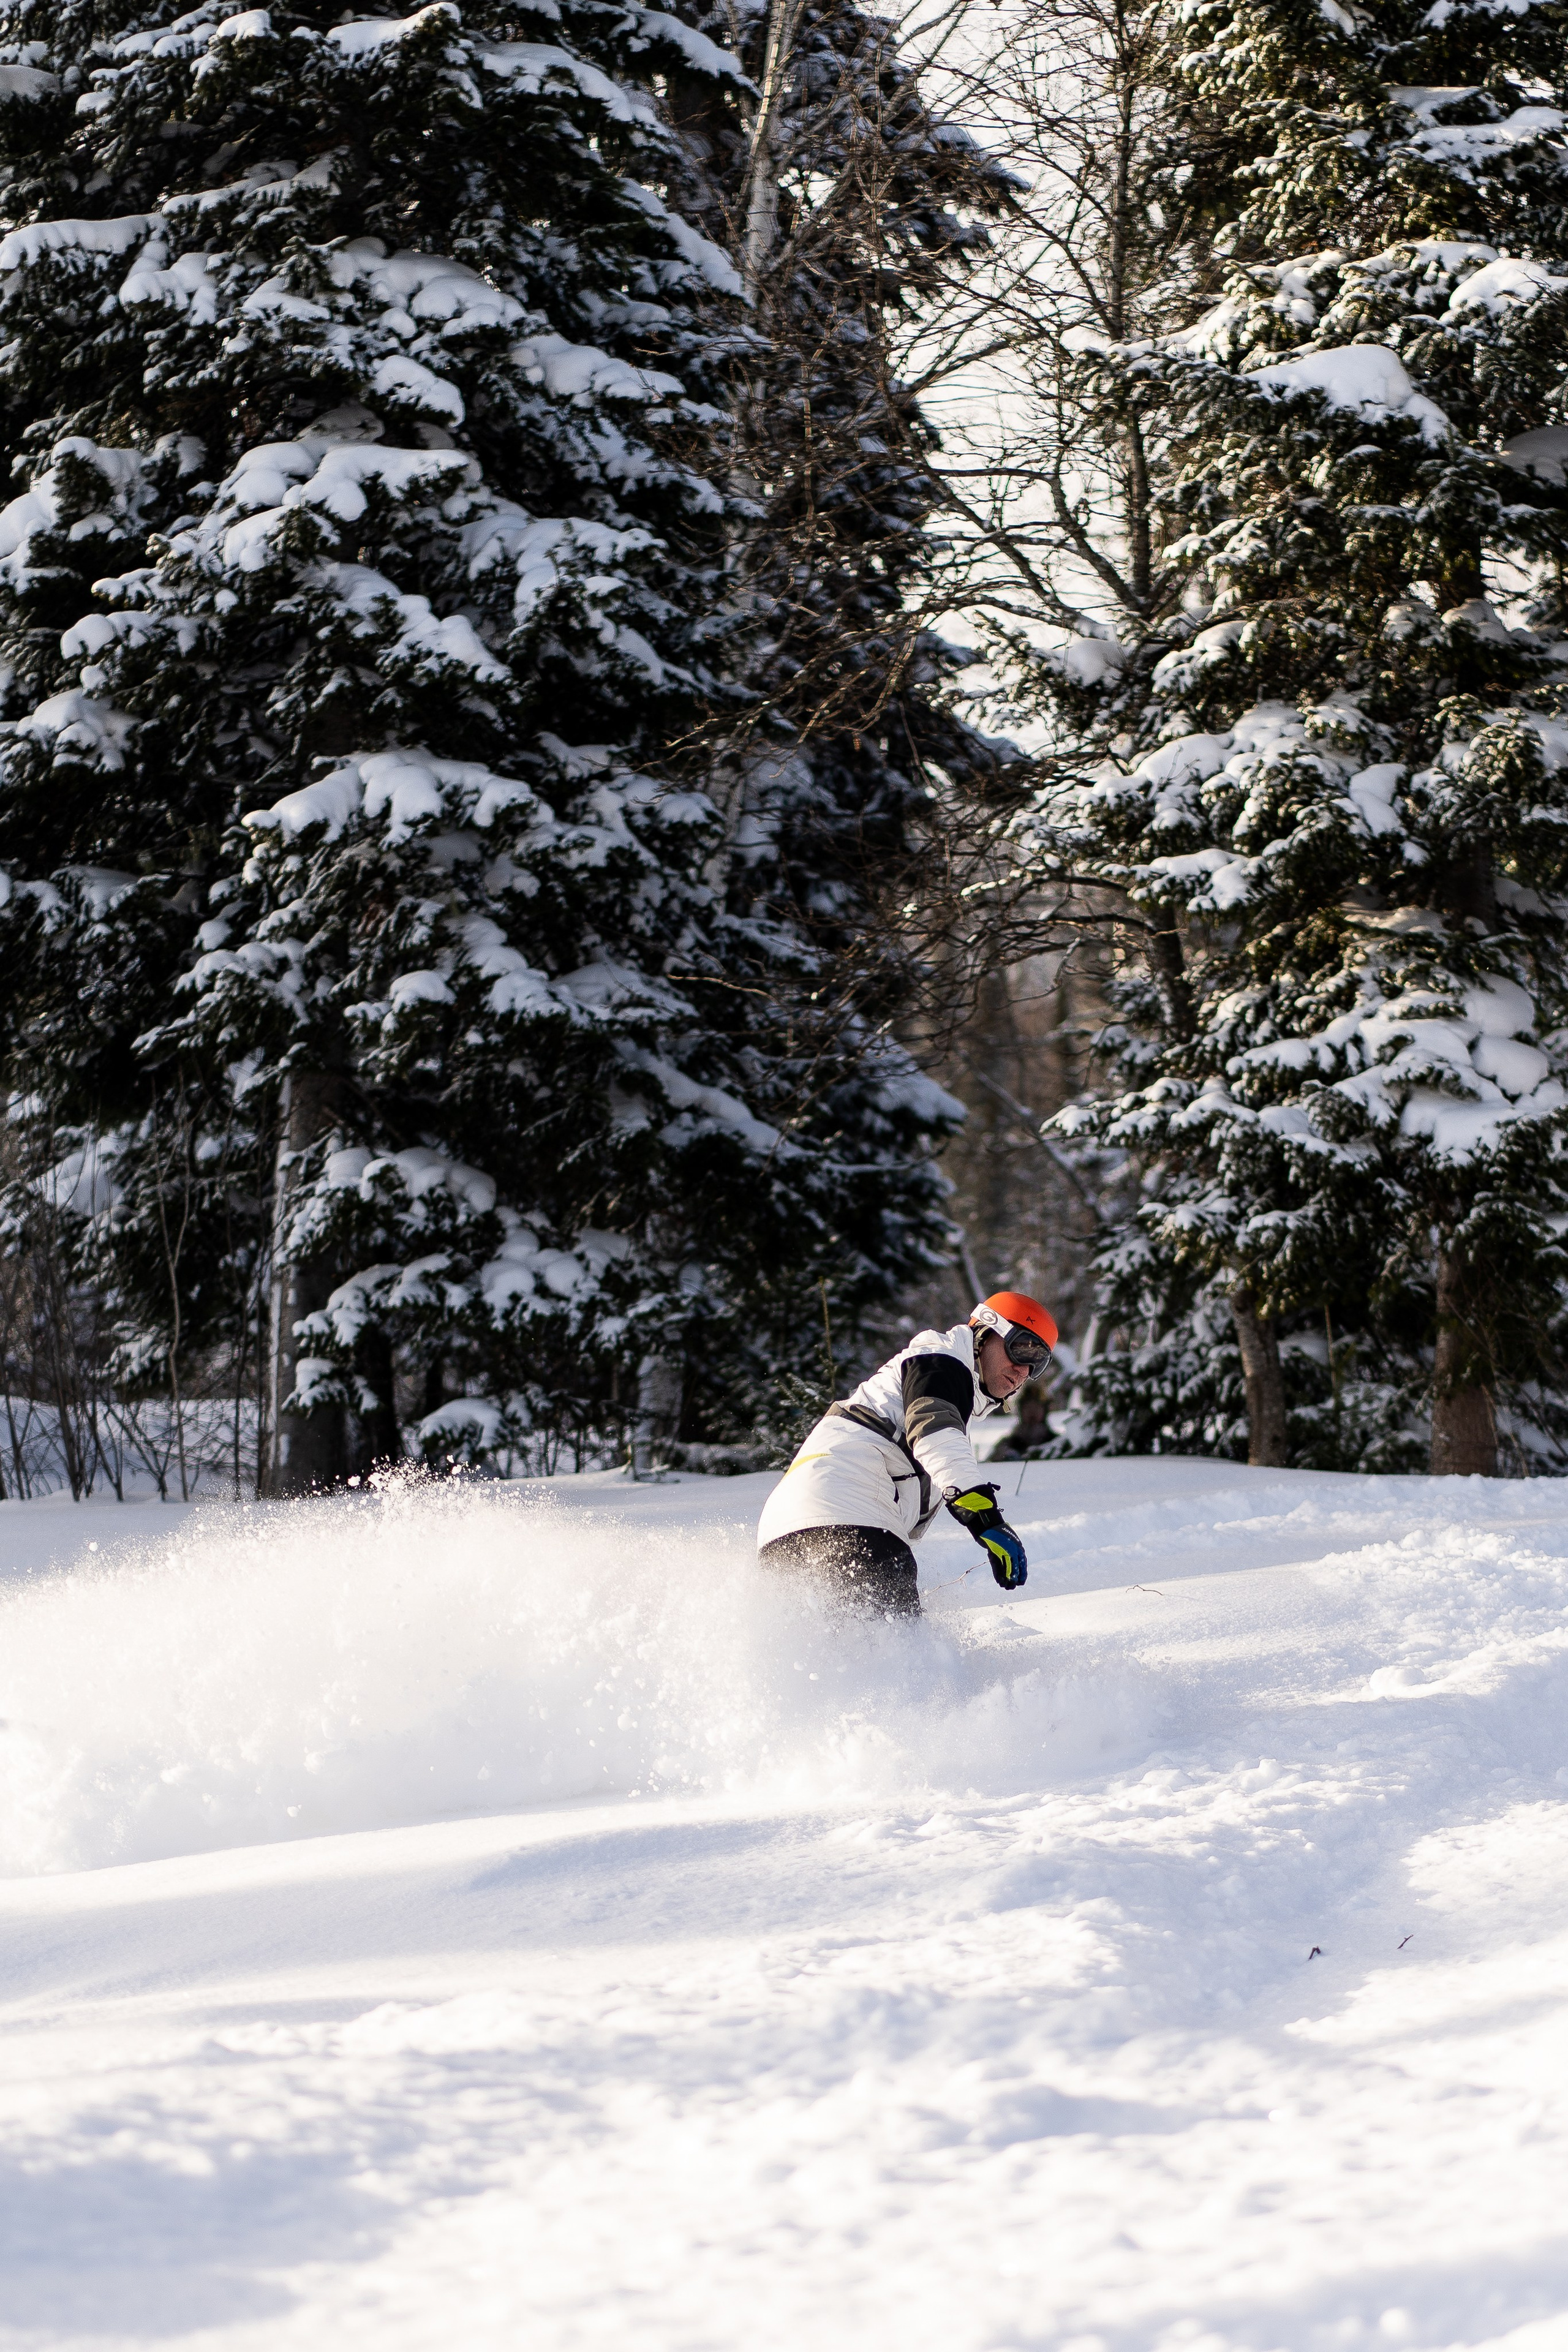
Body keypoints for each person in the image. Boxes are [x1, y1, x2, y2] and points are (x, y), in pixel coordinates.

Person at [756, 1292, 1058, 1617]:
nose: (1023, 1370)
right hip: (847, 1518)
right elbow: (935, 1432)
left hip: (785, 1534)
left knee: (831, 1658)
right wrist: (984, 1517)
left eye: (1036, 1363)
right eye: (1021, 1348)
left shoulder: (943, 1377)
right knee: (900, 1651)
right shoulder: (940, 1361)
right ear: (985, 1331)